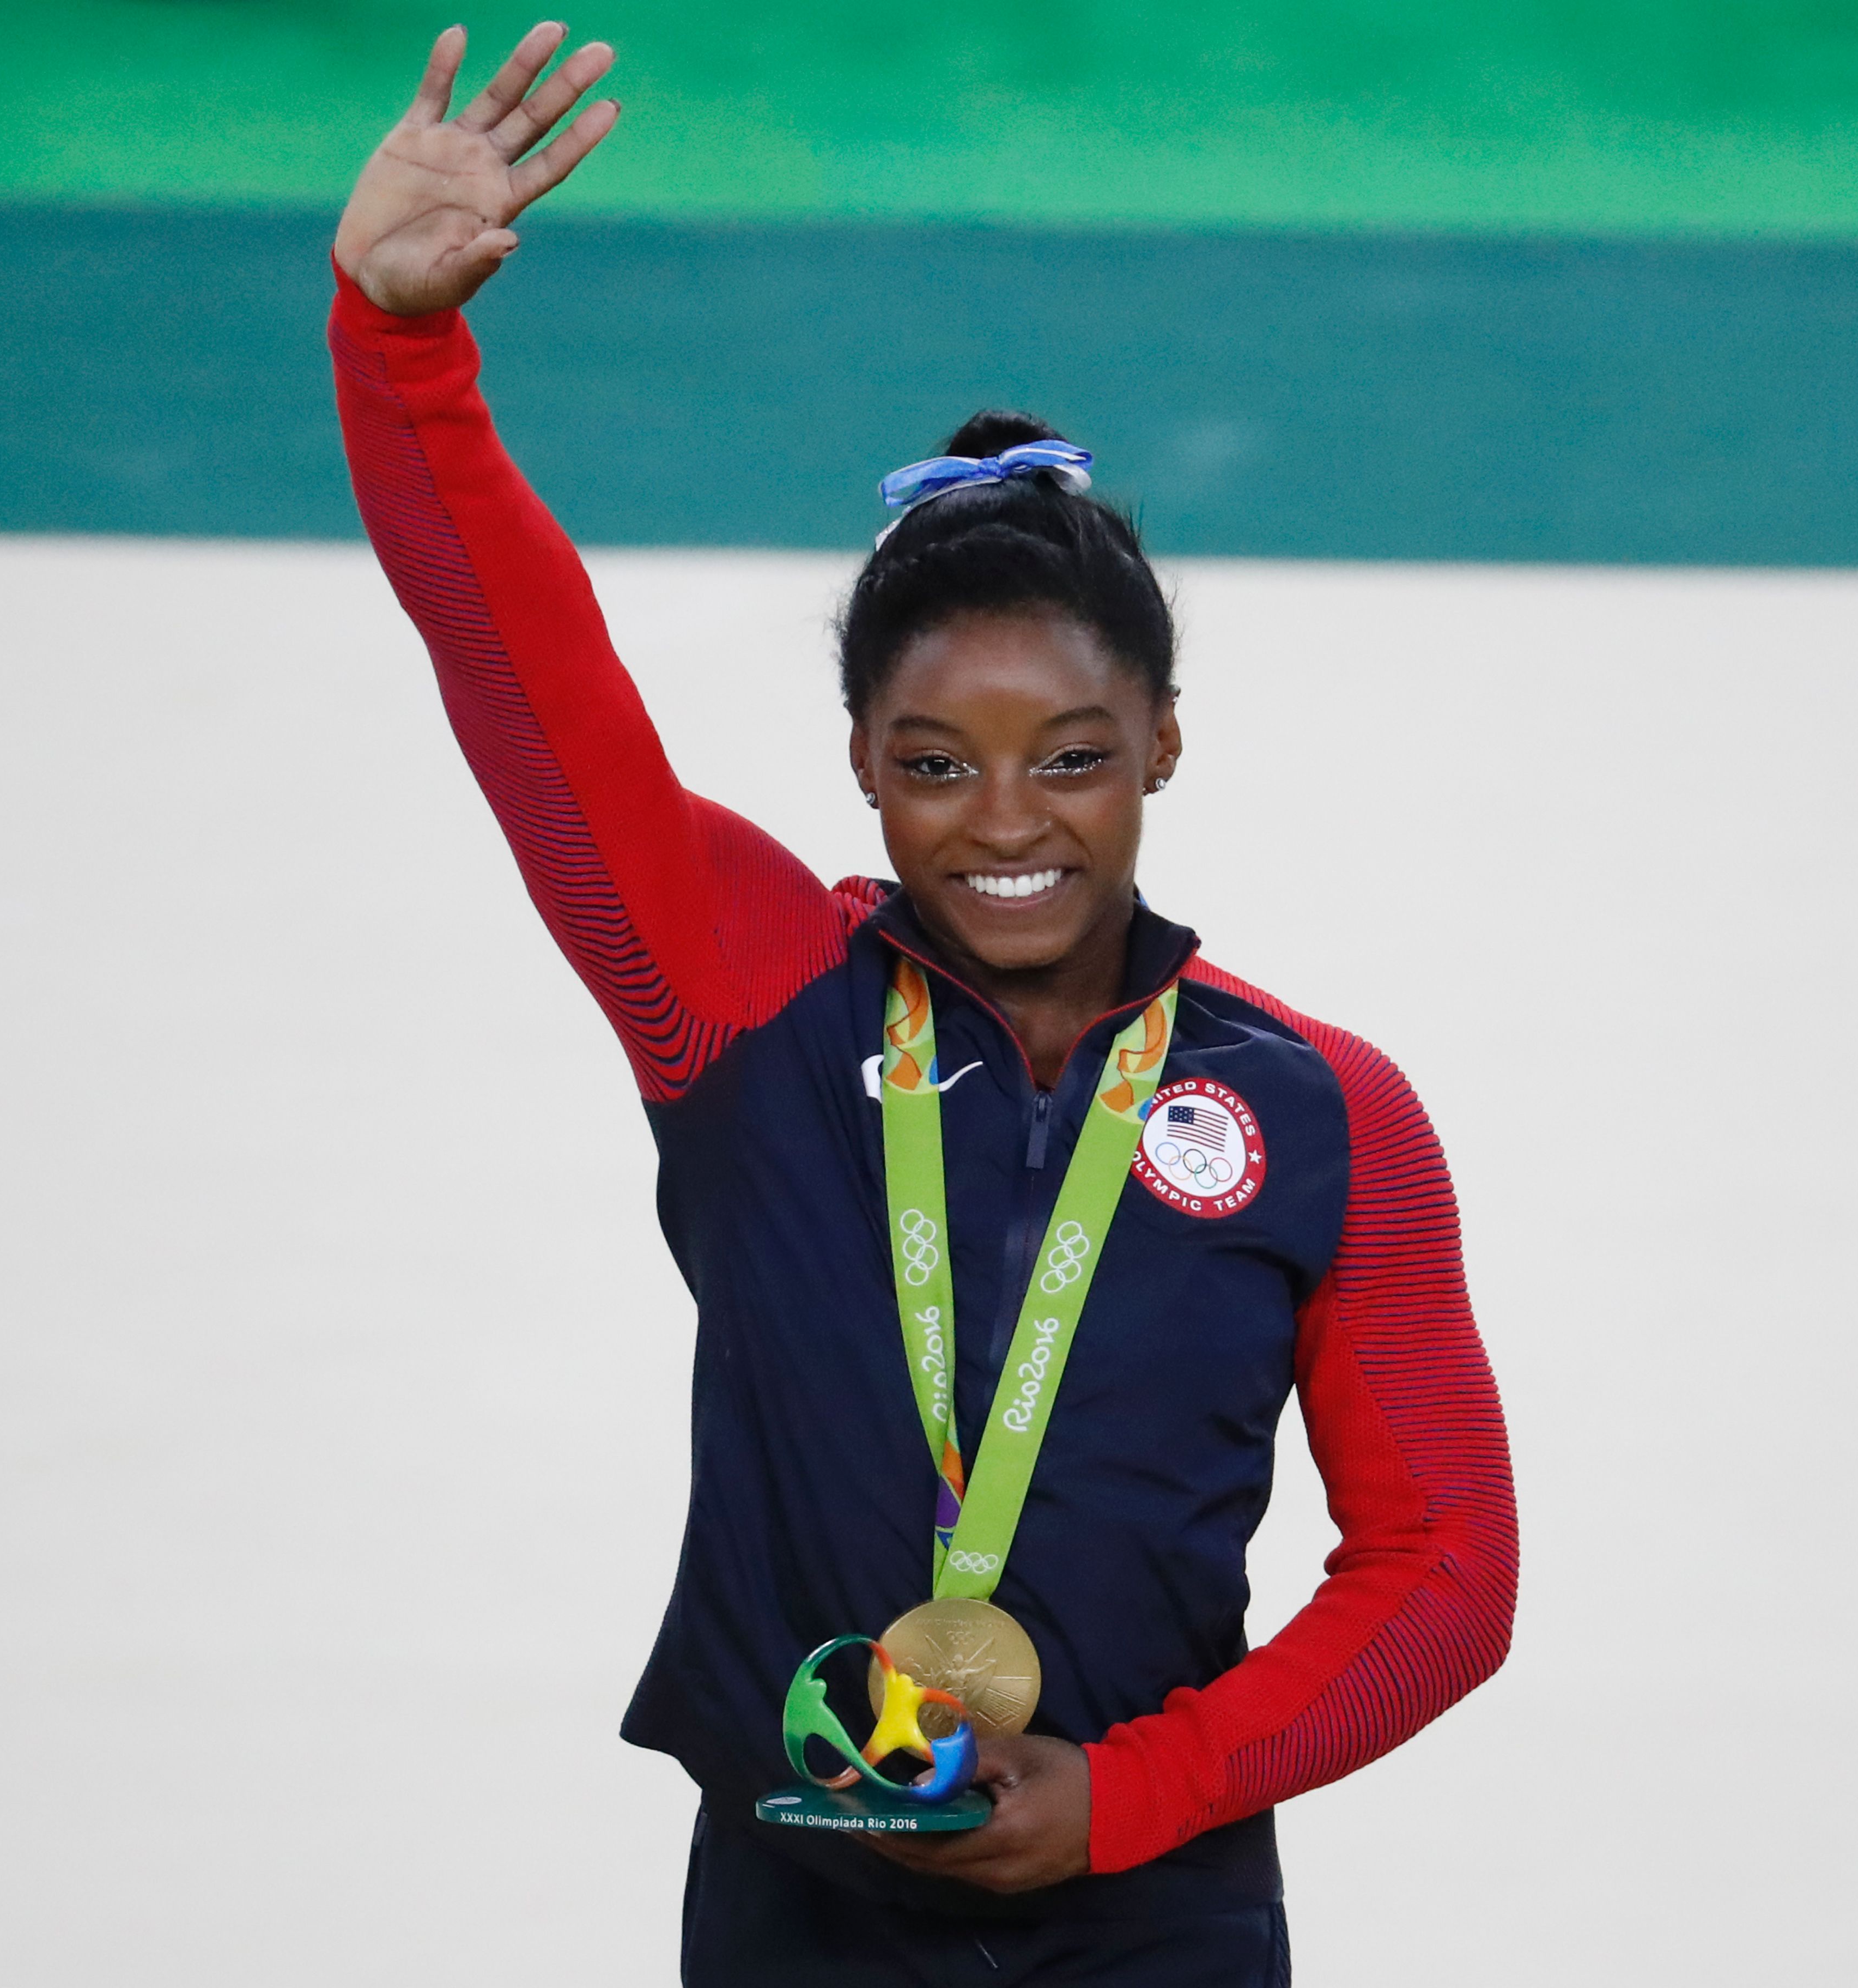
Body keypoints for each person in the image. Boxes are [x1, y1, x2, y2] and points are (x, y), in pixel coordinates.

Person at [327, 25, 1517, 1984]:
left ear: (1163, 746)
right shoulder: (746, 1000)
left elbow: (1446, 1579)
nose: (1008, 824)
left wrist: (1128, 1800)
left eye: (1070, 755)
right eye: (935, 763)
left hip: (1161, 1912)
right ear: (863, 769)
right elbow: (520, 674)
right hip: (803, 1907)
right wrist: (403, 356)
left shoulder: (1323, 1113)